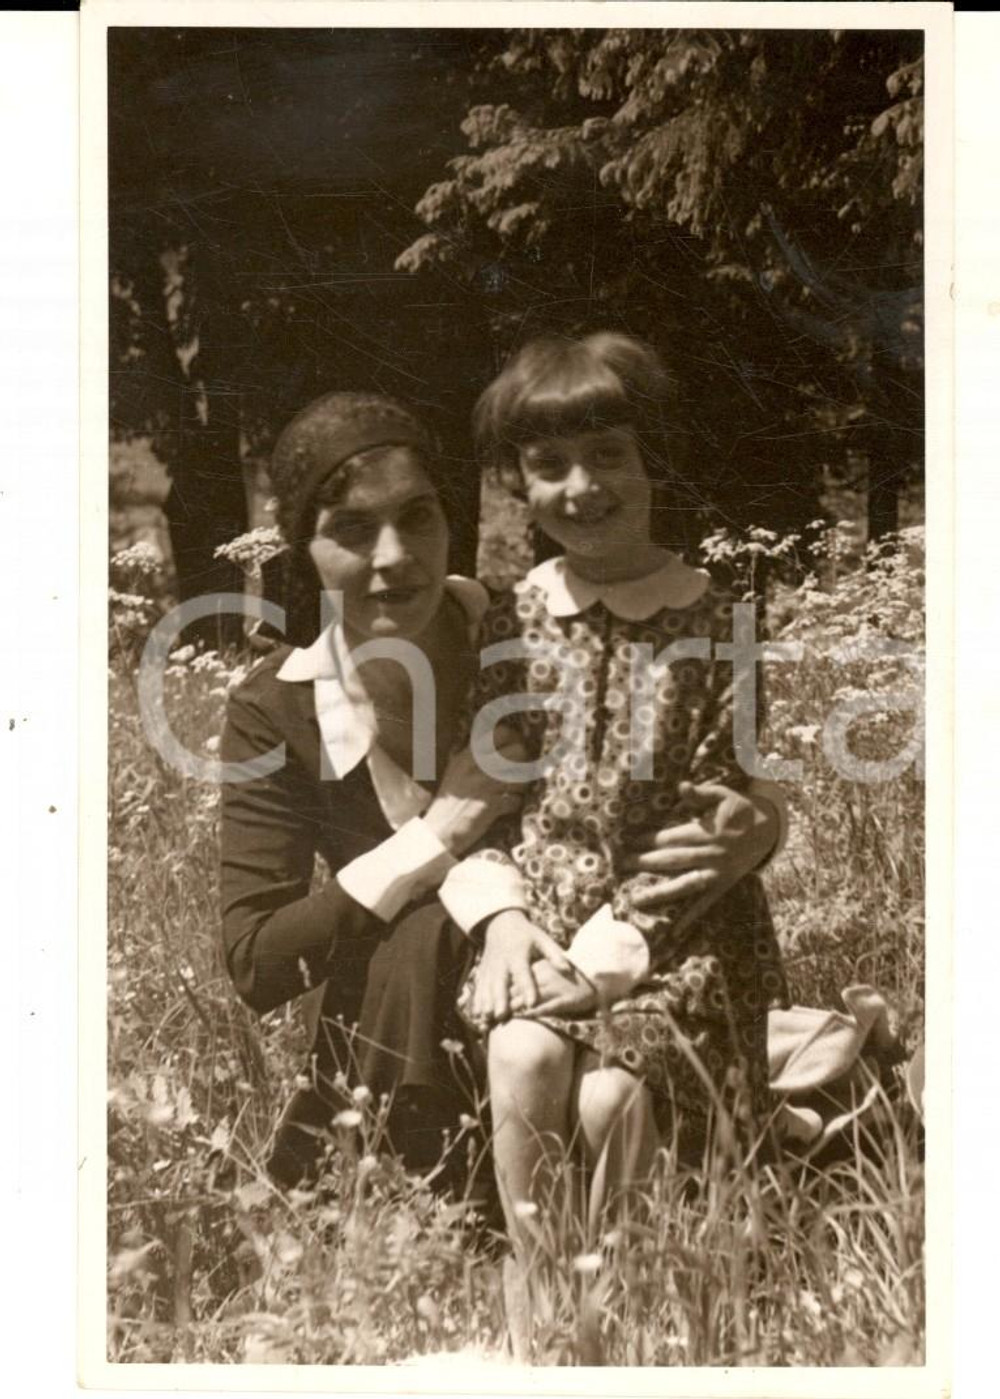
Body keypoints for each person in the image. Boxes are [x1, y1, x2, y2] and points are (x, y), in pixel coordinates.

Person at [219, 388, 784, 1195]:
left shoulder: (529, 628)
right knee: (422, 928)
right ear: (300, 550)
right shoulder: (276, 706)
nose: (393, 555)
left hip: (606, 987)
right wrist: (436, 836)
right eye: (350, 529)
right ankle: (446, 1204)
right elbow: (255, 960)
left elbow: (683, 760)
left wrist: (761, 818)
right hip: (415, 1038)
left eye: (417, 517)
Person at [431, 334, 790, 1264]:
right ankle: (542, 1289)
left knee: (610, 1096)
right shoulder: (513, 620)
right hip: (544, 936)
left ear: (651, 459)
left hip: (681, 941)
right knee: (522, 1056)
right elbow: (486, 797)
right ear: (519, 481)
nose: (581, 487)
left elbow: (713, 829)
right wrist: (504, 922)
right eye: (549, 465)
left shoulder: (718, 622)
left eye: (608, 456)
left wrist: (614, 949)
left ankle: (636, 1302)